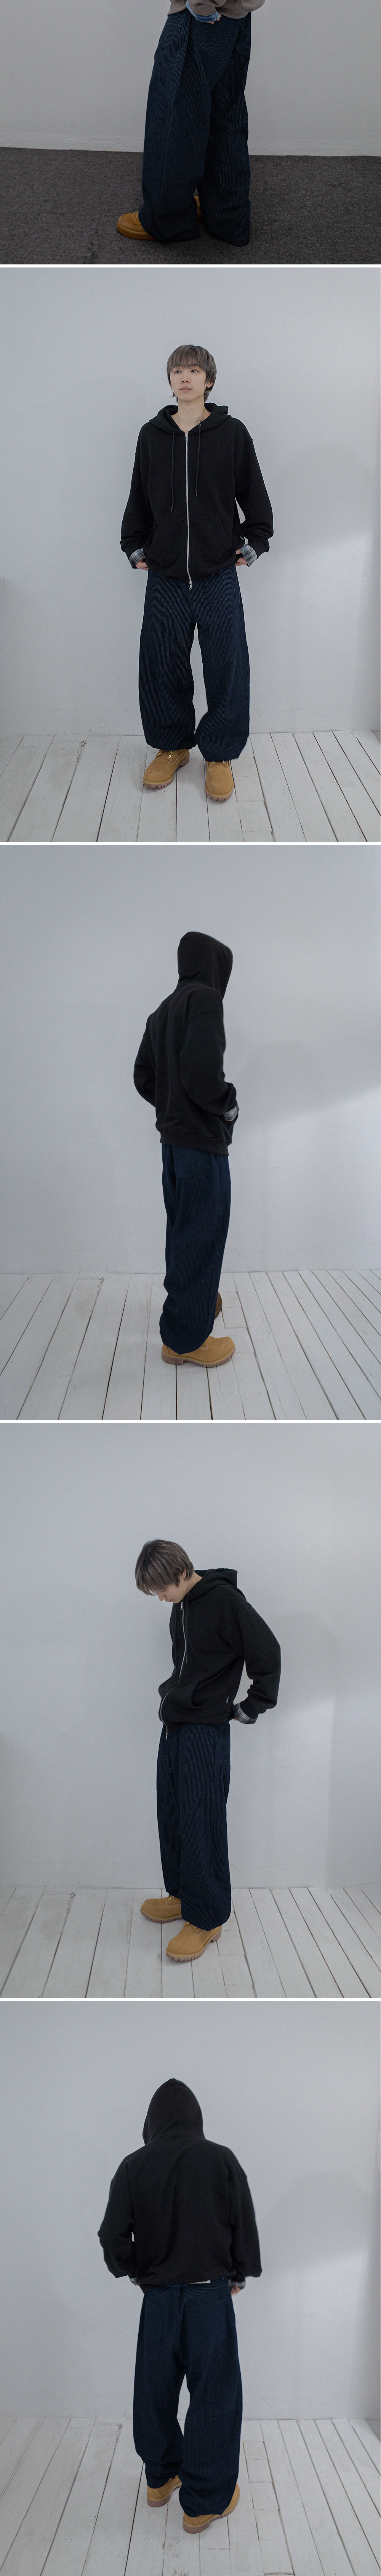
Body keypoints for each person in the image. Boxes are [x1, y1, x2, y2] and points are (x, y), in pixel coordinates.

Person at [98, 2075, 262, 2531]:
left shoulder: (133, 2165)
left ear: (151, 2122)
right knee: (214, 2395)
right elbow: (243, 2223)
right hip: (209, 2297)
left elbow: (112, 2236)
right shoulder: (221, 2158)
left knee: (154, 2389)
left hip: (159, 2301)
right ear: (196, 2116)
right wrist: (239, 2272)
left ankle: (160, 2478)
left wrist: (138, 2271)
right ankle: (203, 2501)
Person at [121, 343, 273, 803]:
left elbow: (254, 494)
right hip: (165, 575)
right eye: (177, 371)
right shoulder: (151, 435)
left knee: (227, 668)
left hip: (217, 573)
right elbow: (139, 495)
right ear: (170, 380)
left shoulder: (232, 433)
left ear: (209, 380)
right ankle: (172, 747)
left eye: (194, 371)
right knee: (162, 667)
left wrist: (256, 540)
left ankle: (220, 754)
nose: (185, 378)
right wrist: (133, 543)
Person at [134, 1537, 282, 1961]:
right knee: (174, 1815)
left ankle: (208, 1917)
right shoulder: (182, 1605)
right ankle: (184, 1895)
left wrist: (252, 1706)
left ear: (183, 1572)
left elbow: (268, 1651)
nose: (161, 1598)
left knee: (202, 1822)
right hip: (175, 1724)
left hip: (205, 1730)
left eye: (163, 1589)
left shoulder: (225, 1602)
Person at [134, 928, 238, 1369]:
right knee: (203, 1232)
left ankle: (197, 1302)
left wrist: (172, 1106)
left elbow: (143, 1076)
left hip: (173, 1145)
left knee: (184, 1232)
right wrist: (228, 1104)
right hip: (201, 1144)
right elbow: (201, 1072)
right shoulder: (206, 1000)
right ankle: (186, 1341)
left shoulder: (161, 1011)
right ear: (215, 965)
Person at [117, 1, 265, 250]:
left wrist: (202, 5)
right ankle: (228, 218)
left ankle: (166, 220)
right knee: (225, 118)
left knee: (176, 118)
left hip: (201, 16)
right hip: (237, 16)